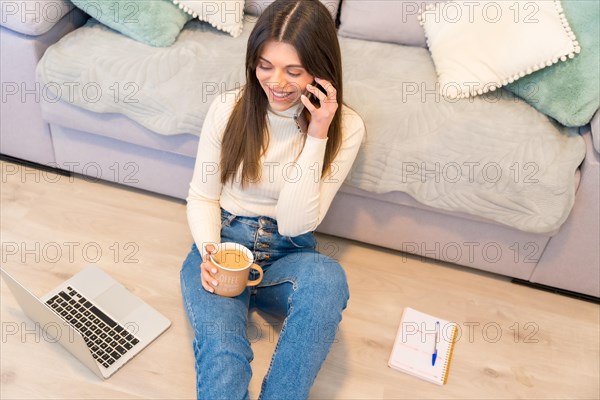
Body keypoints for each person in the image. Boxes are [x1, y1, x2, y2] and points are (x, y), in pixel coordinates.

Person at [180, 0, 365, 398]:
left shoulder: (345, 127)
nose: (277, 82)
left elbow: (298, 224)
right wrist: (211, 252)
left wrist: (316, 134)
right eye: (265, 66)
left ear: (321, 69)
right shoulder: (229, 108)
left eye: (293, 71)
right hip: (224, 242)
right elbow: (201, 197)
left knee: (328, 280)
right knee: (223, 350)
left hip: (288, 251)